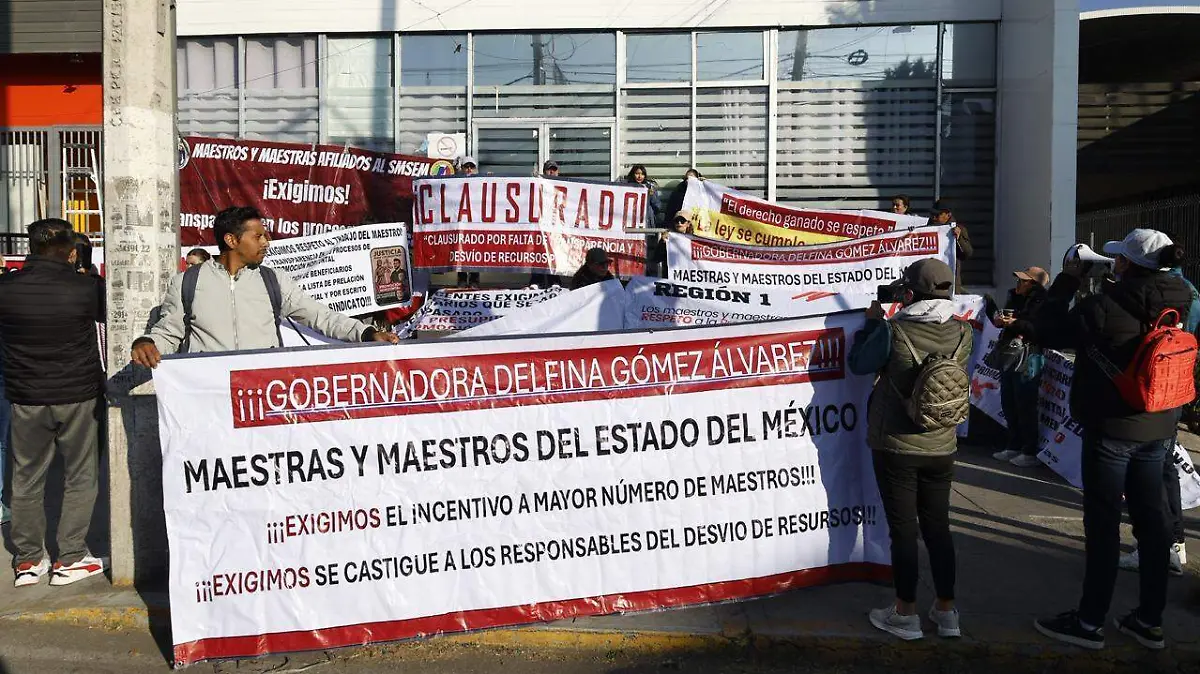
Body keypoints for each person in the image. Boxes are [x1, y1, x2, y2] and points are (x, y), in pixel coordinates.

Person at [1032, 229, 1192, 651]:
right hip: (1158, 425)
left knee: (1102, 527)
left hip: (1112, 430)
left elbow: (1046, 329)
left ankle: (1088, 622)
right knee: (1152, 524)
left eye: (1118, 258)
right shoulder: (1179, 300)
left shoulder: (1102, 306)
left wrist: (1068, 279)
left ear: (1125, 264)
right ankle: (1149, 621)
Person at [849, 259, 972, 641]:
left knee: (903, 530)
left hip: (896, 446)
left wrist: (871, 323)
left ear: (910, 292)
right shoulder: (962, 332)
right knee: (938, 527)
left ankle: (905, 612)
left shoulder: (894, 330)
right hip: (942, 444)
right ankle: (947, 611)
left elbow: (859, 364)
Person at [130, 206, 399, 368]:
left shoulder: (273, 281)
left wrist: (365, 333)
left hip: (262, 395)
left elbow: (320, 316)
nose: (266, 242)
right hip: (208, 397)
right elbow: (168, 334)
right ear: (231, 240)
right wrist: (147, 343)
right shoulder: (187, 282)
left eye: (266, 236)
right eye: (258, 236)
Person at [0, 219, 106, 587]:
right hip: (77, 396)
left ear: (30, 248)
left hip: (26, 397)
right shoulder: (86, 288)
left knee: (26, 478)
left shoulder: (7, 289)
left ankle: (28, 561)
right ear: (72, 251)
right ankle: (71, 557)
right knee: (81, 476)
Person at [1119, 262, 1200, 577]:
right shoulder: (1187, 292)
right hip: (1174, 385)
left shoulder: (1148, 294)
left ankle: (1162, 546)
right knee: (1164, 468)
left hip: (1151, 387)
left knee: (1149, 474)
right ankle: (1173, 543)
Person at [992, 266, 1051, 468]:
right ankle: (1014, 444)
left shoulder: (1043, 302)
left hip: (1031, 355)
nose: (1018, 284)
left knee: (1025, 403)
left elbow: (1037, 330)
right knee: (1008, 400)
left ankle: (1029, 450)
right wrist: (1001, 318)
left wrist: (1013, 323)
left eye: (1022, 281)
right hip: (1011, 353)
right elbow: (1011, 317)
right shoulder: (1016, 297)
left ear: (1033, 284)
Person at [930, 203, 973, 291]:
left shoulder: (958, 229)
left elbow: (967, 253)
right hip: (930, 281)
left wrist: (959, 238)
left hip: (949, 281)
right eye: (932, 214)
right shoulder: (927, 228)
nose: (933, 218)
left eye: (937, 215)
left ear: (948, 215)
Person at [456, 156, 482, 289]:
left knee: (474, 250)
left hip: (475, 221)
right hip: (461, 222)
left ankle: (474, 280)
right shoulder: (455, 182)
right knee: (460, 250)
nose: (469, 169)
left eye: (472, 167)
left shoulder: (481, 182)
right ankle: (461, 279)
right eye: (466, 166)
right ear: (462, 168)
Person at [650, 212, 693, 279]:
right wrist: (662, 242)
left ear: (688, 224)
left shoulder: (694, 240)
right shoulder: (668, 238)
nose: (679, 223)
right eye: (677, 221)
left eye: (682, 221)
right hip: (671, 278)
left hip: (689, 278)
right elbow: (656, 258)